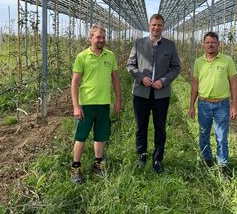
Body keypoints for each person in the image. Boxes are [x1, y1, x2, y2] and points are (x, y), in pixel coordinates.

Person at [126, 14, 181, 174]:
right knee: (140, 126)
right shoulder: (139, 44)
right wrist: (141, 78)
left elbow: (176, 67)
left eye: (159, 25)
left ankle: (158, 158)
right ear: (149, 26)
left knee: (160, 127)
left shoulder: (170, 46)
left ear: (163, 27)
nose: (156, 28)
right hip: (141, 93)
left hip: (161, 95)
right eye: (154, 25)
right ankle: (142, 155)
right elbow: (130, 64)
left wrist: (163, 80)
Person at [70, 25, 121, 183]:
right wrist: (76, 106)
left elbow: (115, 79)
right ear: (90, 38)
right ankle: (76, 167)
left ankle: (98, 164)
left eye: (103, 37)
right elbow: (75, 83)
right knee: (81, 136)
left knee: (101, 136)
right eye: (98, 37)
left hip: (104, 103)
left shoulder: (110, 56)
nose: (101, 40)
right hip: (87, 104)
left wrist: (118, 99)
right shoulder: (82, 57)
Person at [188, 31, 237, 173]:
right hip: (203, 104)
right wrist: (191, 105)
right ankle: (207, 160)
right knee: (204, 134)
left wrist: (234, 106)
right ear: (204, 44)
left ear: (218, 44)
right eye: (207, 42)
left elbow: (234, 83)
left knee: (221, 137)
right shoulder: (198, 62)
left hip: (222, 104)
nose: (210, 45)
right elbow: (195, 85)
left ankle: (223, 165)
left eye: (213, 42)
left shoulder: (227, 60)